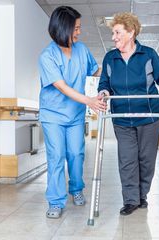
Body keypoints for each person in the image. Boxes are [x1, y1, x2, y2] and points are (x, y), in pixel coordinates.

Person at [98, 12, 159, 216]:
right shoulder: (110, 58)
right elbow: (104, 82)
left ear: (131, 32)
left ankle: (143, 195)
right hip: (121, 117)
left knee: (146, 159)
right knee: (127, 159)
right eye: (113, 33)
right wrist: (104, 91)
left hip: (148, 116)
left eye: (117, 32)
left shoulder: (148, 54)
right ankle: (131, 200)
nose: (113, 37)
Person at [38, 6, 106, 219]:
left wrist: (113, 68)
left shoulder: (82, 49)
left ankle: (76, 189)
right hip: (53, 115)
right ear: (62, 28)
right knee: (56, 155)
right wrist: (90, 100)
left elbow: (95, 71)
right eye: (75, 28)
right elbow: (62, 86)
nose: (79, 32)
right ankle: (56, 201)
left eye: (79, 28)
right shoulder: (47, 56)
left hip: (75, 114)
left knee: (76, 154)